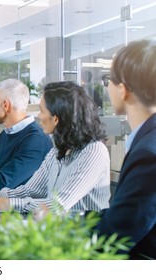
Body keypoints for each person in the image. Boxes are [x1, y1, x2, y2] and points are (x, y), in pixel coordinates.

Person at [0, 81, 110, 213]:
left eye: (41, 110)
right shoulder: (57, 151)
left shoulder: (94, 151)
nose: (38, 116)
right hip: (54, 231)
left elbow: (56, 206)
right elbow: (30, 191)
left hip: (85, 236)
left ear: (56, 118)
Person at [96, 40, 156, 259]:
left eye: (108, 80)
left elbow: (116, 236)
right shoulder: (146, 141)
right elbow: (122, 214)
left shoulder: (148, 154)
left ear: (123, 90)